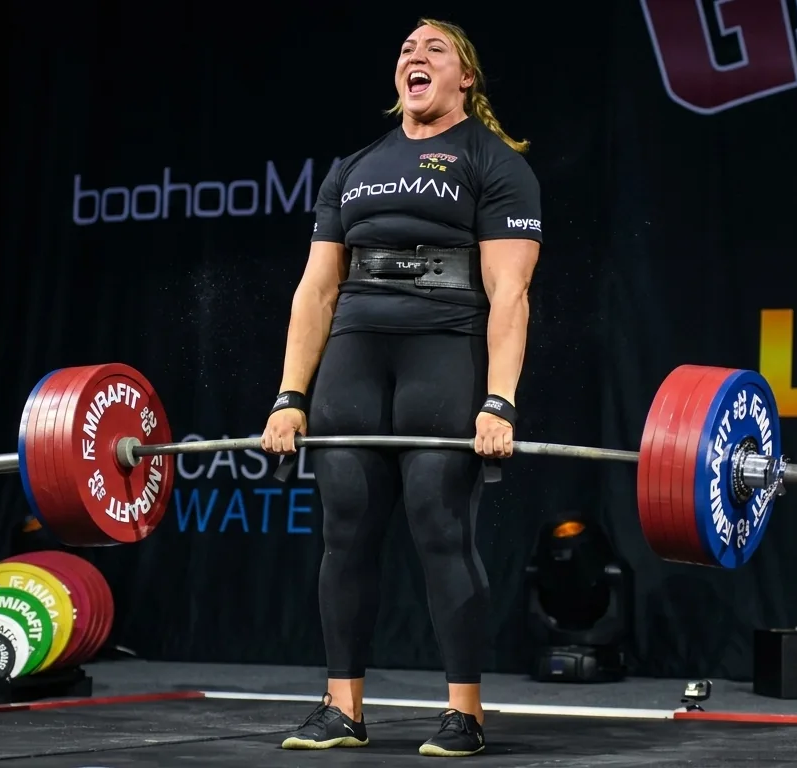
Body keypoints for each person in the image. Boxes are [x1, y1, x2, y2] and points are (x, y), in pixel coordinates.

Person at [259, 17, 542, 759]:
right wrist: (290, 395)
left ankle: (464, 713)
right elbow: (317, 291)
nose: (415, 57)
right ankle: (342, 708)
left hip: (444, 353)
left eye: (435, 49)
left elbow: (508, 293)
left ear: (465, 78)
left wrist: (500, 401)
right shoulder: (353, 167)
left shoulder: (496, 162)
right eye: (407, 50)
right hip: (354, 355)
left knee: (439, 525)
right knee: (343, 533)